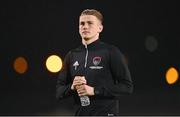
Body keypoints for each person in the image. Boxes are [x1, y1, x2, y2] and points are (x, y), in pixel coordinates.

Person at [56, 9, 133, 116]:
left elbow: (127, 87)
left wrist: (94, 90)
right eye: (82, 23)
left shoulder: (111, 51)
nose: (85, 26)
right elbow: (59, 92)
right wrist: (72, 87)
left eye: (90, 23)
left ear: (100, 28)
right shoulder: (72, 55)